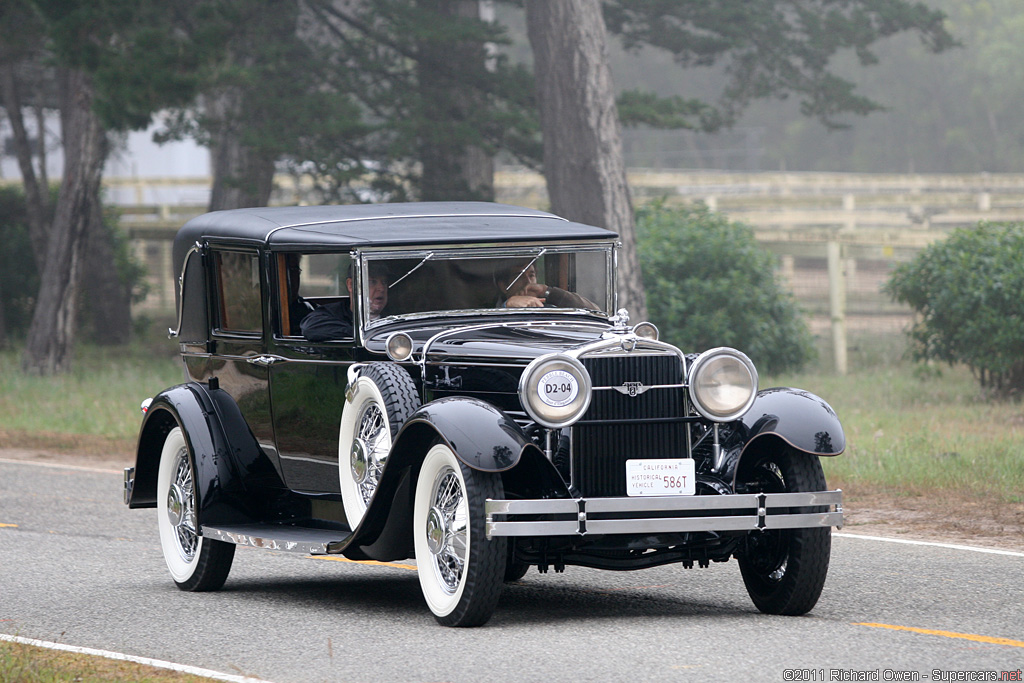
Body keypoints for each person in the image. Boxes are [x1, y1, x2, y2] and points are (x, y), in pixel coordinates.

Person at [301, 264, 389, 341]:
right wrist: (363, 334)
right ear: (351, 285)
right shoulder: (332, 313)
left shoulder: (395, 314)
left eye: (384, 282)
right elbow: (310, 328)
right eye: (372, 282)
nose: (381, 288)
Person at [498, 260, 597, 309]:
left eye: (531, 275)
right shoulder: (492, 310)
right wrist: (507, 306)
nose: (527, 281)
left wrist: (548, 291)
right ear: (503, 286)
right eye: (518, 276)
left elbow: (595, 311)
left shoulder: (549, 306)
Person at [285, 254, 314, 335]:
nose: (290, 277)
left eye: (294, 270)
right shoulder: (262, 310)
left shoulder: (306, 308)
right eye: (287, 270)